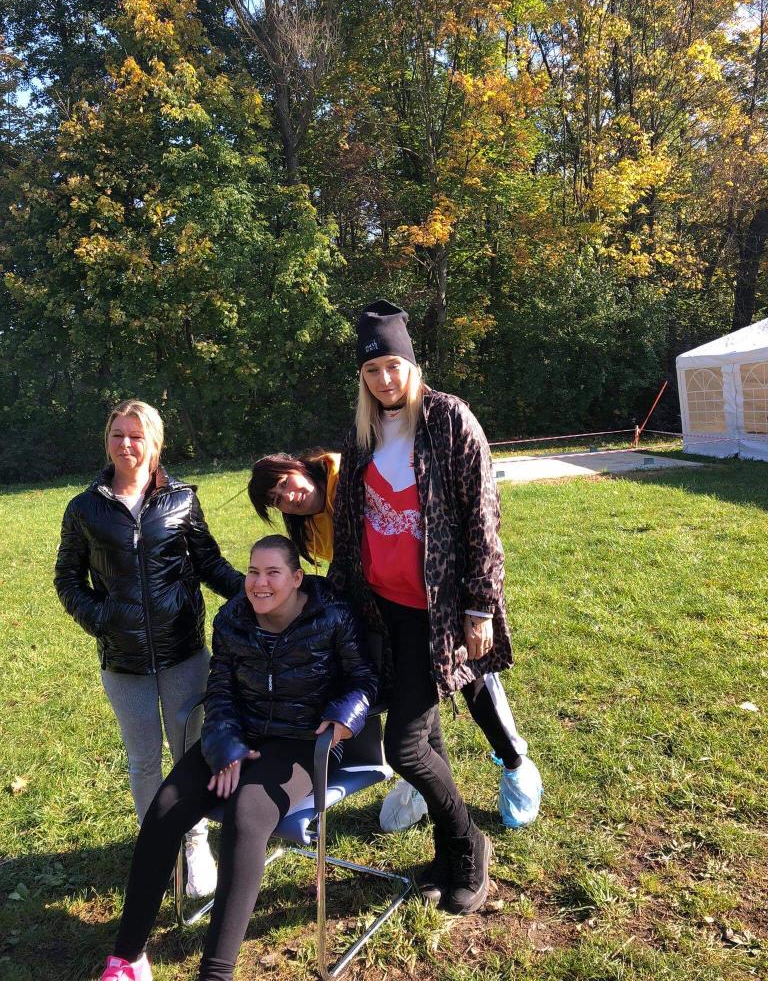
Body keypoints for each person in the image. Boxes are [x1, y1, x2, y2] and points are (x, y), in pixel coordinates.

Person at [327, 299, 538, 916]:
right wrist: (340, 601)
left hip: (437, 614)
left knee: (406, 747)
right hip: (381, 610)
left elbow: (483, 520)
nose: (383, 379)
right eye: (371, 370)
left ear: (411, 364)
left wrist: (480, 607)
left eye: (392, 366)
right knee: (429, 740)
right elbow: (348, 526)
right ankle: (448, 856)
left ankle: (469, 846)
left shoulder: (449, 420)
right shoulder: (362, 433)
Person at [96, 534, 377, 981]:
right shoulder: (231, 619)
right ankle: (128, 958)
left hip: (302, 742)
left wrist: (344, 716)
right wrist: (226, 748)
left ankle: (216, 973)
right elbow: (221, 692)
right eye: (253, 572)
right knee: (165, 808)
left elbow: (364, 679)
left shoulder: (333, 615)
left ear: (297, 578)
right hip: (238, 735)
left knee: (247, 817)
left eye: (273, 573)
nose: (260, 583)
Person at [248, 450, 542, 832]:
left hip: (432, 595)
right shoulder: (308, 528)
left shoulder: (351, 475)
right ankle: (427, 780)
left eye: (285, 483)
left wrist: (470, 600)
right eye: (277, 499)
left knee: (471, 680)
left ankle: (515, 765)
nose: (289, 497)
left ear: (298, 466)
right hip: (387, 612)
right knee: (413, 700)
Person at [54, 399, 243, 898]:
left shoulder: (181, 501)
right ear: (107, 440)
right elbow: (67, 578)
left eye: (136, 436)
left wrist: (259, 594)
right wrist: (103, 619)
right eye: (118, 434)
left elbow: (210, 564)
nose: (126, 445)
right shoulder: (85, 508)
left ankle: (196, 843)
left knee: (189, 755)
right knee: (143, 762)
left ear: (155, 443)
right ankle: (159, 845)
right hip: (124, 662)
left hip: (184, 654)